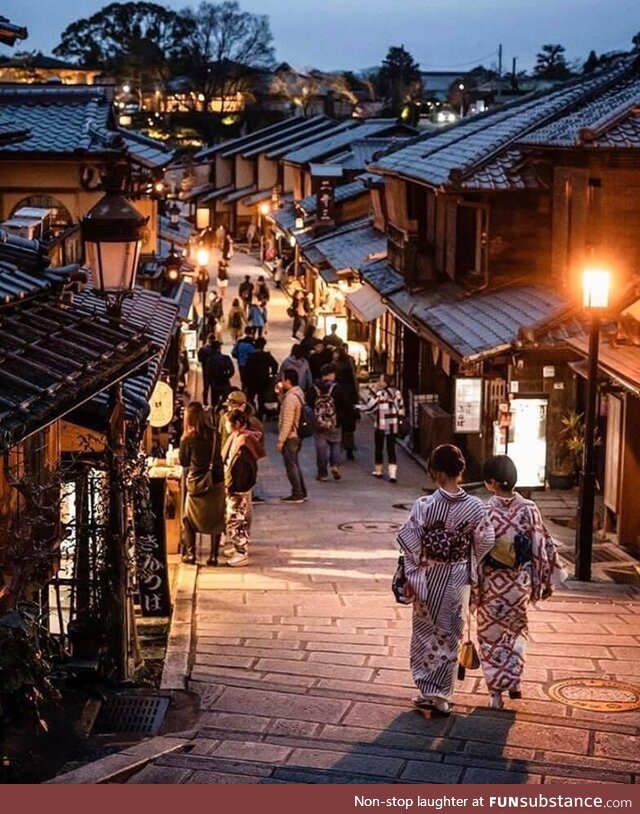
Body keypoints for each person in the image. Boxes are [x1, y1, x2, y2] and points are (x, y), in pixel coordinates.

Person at [397, 444, 494, 716]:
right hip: (458, 576)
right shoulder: (476, 506)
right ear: (459, 471)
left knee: (425, 633)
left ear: (437, 472)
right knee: (451, 634)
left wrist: (418, 563)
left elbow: (409, 539)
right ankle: (443, 696)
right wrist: (468, 557)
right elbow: (486, 539)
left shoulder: (425, 505)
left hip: (428, 576)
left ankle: (428, 688)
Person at [477, 455, 567, 709]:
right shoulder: (529, 508)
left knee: (490, 636)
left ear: (492, 483)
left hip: (492, 586)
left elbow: (477, 552)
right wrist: (543, 580)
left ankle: (495, 693)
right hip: (518, 585)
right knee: (516, 631)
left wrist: (473, 587)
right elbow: (543, 545)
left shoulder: (485, 511)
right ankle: (514, 681)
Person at [178, 402, 226, 566]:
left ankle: (190, 553)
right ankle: (213, 556)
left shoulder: (188, 439)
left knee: (189, 518)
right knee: (216, 518)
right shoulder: (215, 435)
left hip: (197, 483)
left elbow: (184, 461)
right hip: (216, 481)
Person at [221, 410, 262, 567]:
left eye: (228, 422)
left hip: (238, 486)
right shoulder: (240, 438)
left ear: (236, 424)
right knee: (235, 518)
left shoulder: (243, 442)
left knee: (236, 520)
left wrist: (234, 486)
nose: (225, 425)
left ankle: (241, 552)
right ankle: (238, 548)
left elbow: (242, 468)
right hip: (236, 484)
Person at [306, 363, 351, 482]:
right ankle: (335, 466)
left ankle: (322, 473)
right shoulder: (337, 388)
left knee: (321, 448)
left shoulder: (314, 388)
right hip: (334, 422)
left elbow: (308, 404)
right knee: (335, 444)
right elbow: (346, 405)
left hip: (319, 423)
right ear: (332, 374)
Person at [357, 373, 405, 483]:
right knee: (391, 449)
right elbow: (401, 409)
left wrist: (358, 407)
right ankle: (393, 474)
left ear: (385, 382)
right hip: (393, 424)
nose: (378, 381)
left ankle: (378, 470)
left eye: (380, 380)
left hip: (381, 424)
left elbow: (370, 408)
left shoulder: (379, 394)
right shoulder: (397, 393)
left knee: (379, 447)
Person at [276, 368, 307, 503]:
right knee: (295, 464)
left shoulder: (290, 398)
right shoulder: (298, 393)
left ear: (288, 381)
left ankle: (297, 492)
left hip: (291, 436)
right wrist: (279, 393)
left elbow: (288, 421)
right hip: (297, 434)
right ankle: (301, 491)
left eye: (283, 379)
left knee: (291, 465)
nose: (282, 382)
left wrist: (281, 441)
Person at [334, 344, 359, 460]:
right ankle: (349, 449)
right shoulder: (350, 365)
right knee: (349, 428)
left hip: (339, 400)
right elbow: (355, 384)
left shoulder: (335, 367)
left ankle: (338, 451)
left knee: (339, 427)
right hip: (350, 398)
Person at [244, 337, 278, 421]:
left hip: (251, 381)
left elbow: (246, 370)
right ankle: (260, 415)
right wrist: (272, 373)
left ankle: (253, 411)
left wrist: (245, 381)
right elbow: (275, 365)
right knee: (262, 399)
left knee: (250, 398)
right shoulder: (266, 356)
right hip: (263, 381)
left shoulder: (250, 356)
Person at [205, 339, 234, 411]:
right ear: (219, 348)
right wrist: (226, 376)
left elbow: (208, 373)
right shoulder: (226, 358)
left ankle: (216, 416)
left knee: (214, 403)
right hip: (225, 383)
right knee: (226, 402)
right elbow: (232, 371)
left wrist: (210, 382)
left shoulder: (209, 360)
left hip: (214, 384)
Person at [197, 333, 217, 407]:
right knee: (213, 387)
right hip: (214, 371)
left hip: (205, 370)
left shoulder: (203, 349)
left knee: (206, 387)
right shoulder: (214, 349)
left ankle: (205, 402)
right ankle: (213, 403)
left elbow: (199, 359)